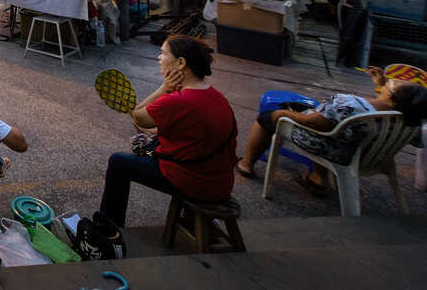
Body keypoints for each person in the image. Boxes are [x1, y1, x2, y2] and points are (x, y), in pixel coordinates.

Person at [98, 36, 237, 229]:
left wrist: (164, 88)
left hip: (197, 183)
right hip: (221, 182)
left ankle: (108, 227)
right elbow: (194, 133)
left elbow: (138, 116)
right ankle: (192, 221)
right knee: (152, 144)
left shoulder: (178, 100)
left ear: (181, 63)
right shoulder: (215, 95)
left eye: (163, 53)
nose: (158, 57)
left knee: (118, 161)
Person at [235, 65, 427, 195]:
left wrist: (282, 115)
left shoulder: (349, 104)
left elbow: (315, 123)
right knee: (336, 126)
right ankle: (318, 178)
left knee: (267, 117)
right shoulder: (411, 120)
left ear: (391, 96)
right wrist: (380, 86)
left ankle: (246, 165)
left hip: (334, 148)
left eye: (395, 83)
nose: (391, 81)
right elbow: (388, 109)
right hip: (365, 154)